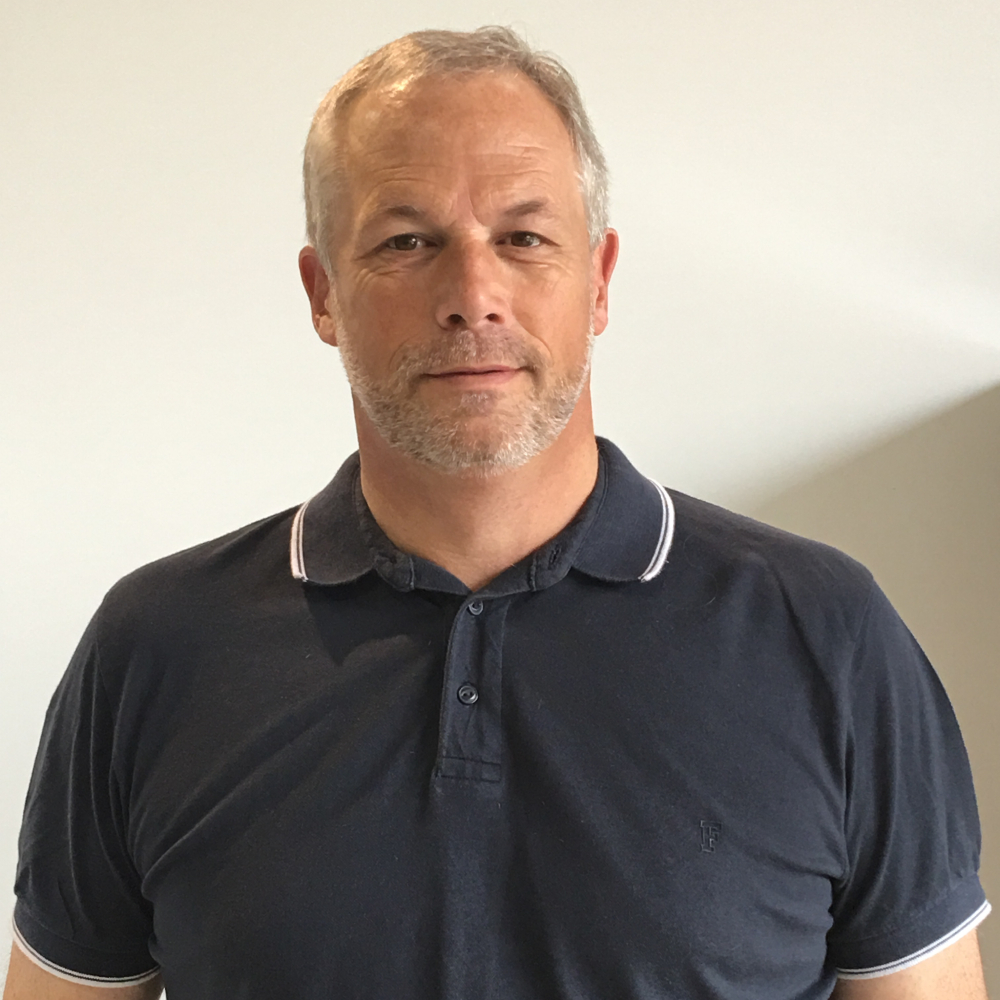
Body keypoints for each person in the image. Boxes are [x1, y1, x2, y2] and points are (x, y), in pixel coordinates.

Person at [3, 26, 990, 1000]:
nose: (472, 294)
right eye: (406, 241)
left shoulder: (823, 633)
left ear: (597, 280)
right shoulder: (155, 647)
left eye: (522, 237)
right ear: (323, 293)